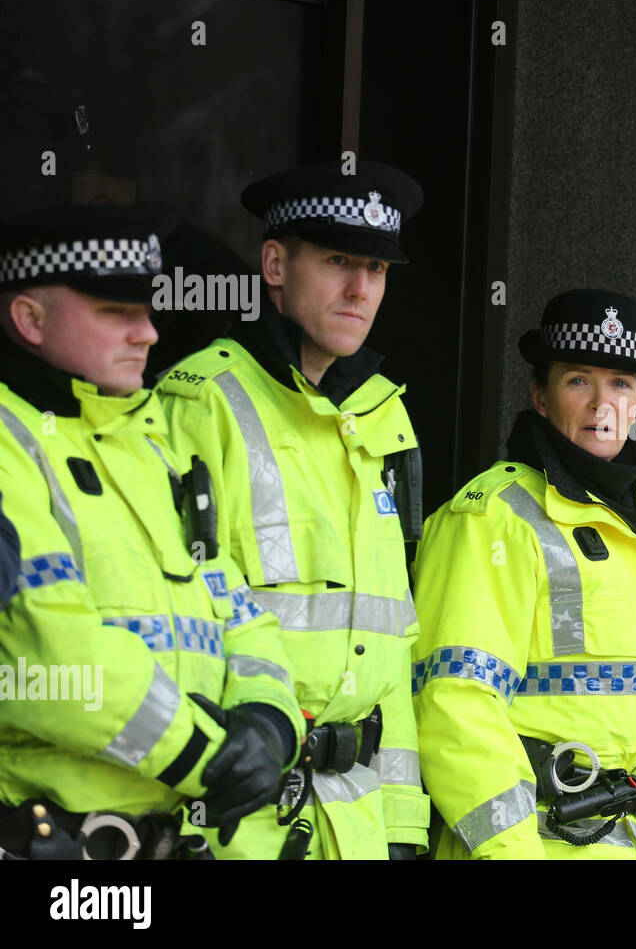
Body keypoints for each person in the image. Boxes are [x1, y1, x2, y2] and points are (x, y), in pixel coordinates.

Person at [0, 206, 301, 860]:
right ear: (29, 319)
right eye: (116, 312)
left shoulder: (153, 444)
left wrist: (270, 726)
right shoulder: (8, 440)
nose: (147, 332)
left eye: (148, 308)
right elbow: (53, 659)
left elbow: (236, 609)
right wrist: (212, 757)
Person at [411, 289, 636, 859]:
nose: (602, 404)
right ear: (539, 396)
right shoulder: (492, 517)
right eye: (578, 381)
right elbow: (457, 705)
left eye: (620, 383)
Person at [156, 163, 430, 859]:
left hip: (357, 825)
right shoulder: (202, 399)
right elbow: (173, 621)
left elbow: (390, 637)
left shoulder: (384, 415)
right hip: (234, 820)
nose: (361, 287)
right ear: (275, 264)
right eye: (339, 260)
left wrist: (400, 825)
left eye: (376, 267)